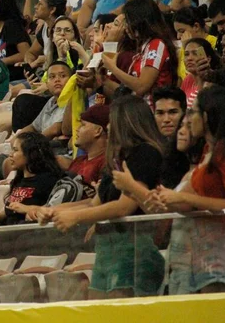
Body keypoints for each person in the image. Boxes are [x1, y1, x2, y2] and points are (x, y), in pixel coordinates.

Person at [38, 95, 166, 299]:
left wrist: (76, 218)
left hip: (134, 251)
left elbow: (124, 207)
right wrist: (54, 212)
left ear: (126, 122)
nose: (108, 127)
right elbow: (94, 203)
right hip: (108, 251)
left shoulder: (145, 154)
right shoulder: (117, 159)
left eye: (112, 121)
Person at [152, 86, 225, 294]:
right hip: (196, 253)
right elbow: (192, 199)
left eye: (193, 112)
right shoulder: (207, 151)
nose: (188, 118)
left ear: (207, 116)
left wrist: (181, 196)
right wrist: (167, 199)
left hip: (220, 255)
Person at [102, 0, 177, 106]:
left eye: (128, 21)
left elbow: (142, 86)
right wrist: (104, 80)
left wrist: (112, 67)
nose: (126, 27)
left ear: (140, 21)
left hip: (152, 109)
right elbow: (131, 89)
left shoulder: (156, 44)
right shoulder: (143, 47)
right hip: (138, 108)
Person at [0, 132, 65, 227]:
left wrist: (27, 209)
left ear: (31, 154)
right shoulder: (19, 180)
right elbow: (10, 209)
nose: (10, 155)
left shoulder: (49, 181)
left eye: (15, 150)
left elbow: (53, 211)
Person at [58, 104, 109, 190]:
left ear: (98, 131)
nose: (77, 129)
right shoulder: (78, 161)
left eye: (83, 125)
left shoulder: (107, 163)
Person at [23, 0, 67, 71]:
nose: (35, 7)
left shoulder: (62, 29)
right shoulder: (45, 26)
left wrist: (46, 60)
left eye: (40, 4)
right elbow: (31, 53)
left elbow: (65, 60)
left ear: (52, 10)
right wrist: (30, 65)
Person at [172, 6, 218, 79]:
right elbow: (181, 78)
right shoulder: (183, 48)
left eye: (182, 31)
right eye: (177, 32)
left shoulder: (214, 43)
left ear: (196, 26)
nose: (178, 37)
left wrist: (186, 46)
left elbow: (206, 72)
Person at [181, 38, 222, 107]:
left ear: (208, 59)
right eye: (186, 54)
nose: (189, 58)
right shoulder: (188, 79)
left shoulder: (214, 80)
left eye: (195, 53)